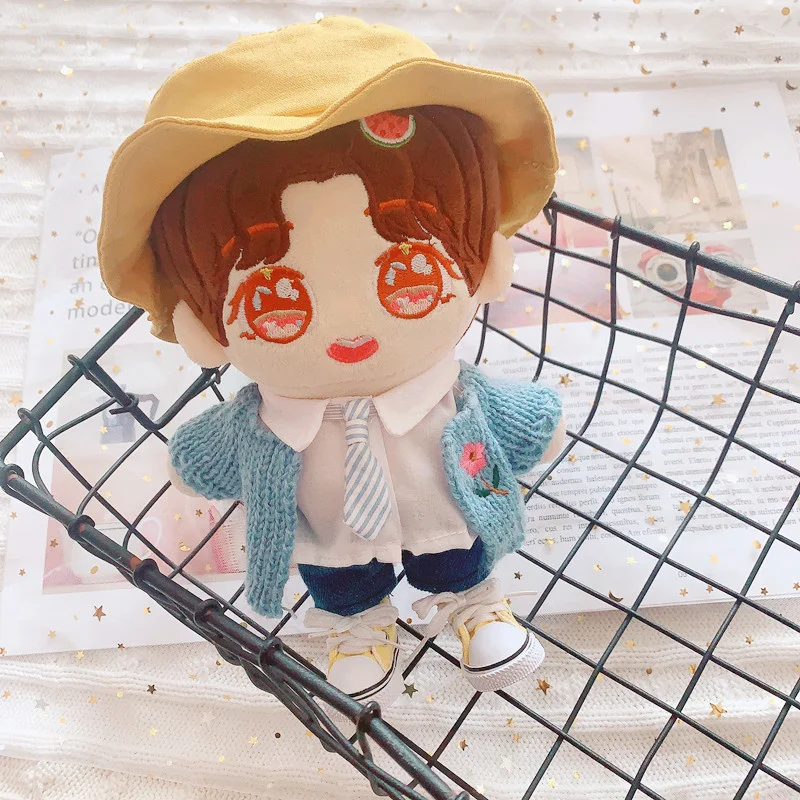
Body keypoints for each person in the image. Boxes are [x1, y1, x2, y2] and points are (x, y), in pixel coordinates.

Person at [99, 16, 565, 705]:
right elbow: (200, 459)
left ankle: (472, 601)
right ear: (203, 327)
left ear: (487, 265)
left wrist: (537, 426)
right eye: (275, 301)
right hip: (330, 538)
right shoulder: (260, 426)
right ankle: (357, 623)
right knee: (338, 576)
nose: (348, 329)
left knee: (456, 548)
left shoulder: (458, 397)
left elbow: (527, 423)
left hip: (446, 516)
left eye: (408, 275)